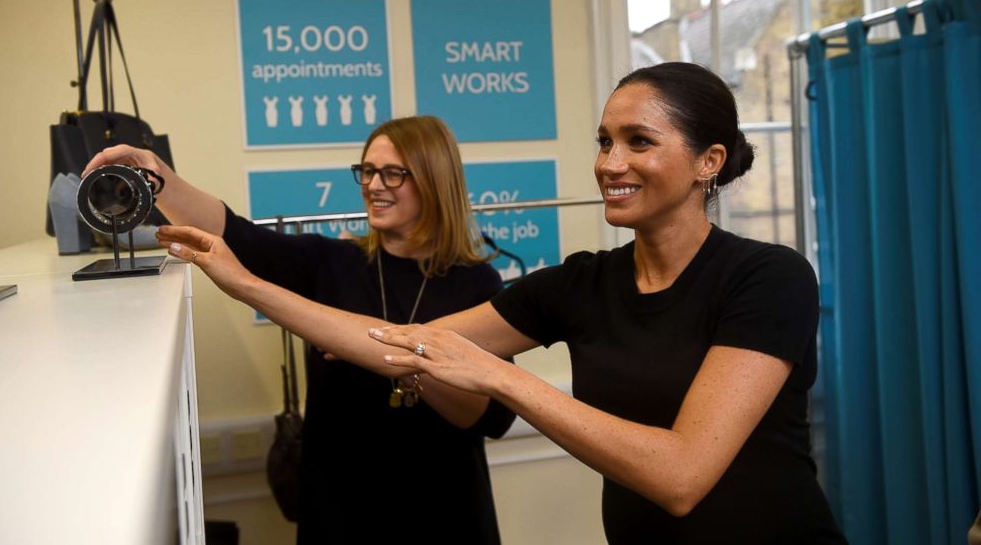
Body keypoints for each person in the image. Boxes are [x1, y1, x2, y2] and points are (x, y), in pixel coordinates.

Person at [155, 63, 847, 543]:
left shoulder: (769, 277)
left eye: (640, 142)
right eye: (604, 141)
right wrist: (244, 282)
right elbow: (399, 342)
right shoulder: (580, 284)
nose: (610, 163)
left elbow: (680, 475)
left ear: (709, 162)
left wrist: (496, 375)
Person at [83, 116, 515, 544]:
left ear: (435, 180)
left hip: (442, 511)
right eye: (366, 171)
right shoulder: (332, 263)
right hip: (340, 510)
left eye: (392, 173)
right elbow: (232, 232)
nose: (373, 185)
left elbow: (493, 417)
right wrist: (160, 178)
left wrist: (386, 356)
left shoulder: (477, 285)